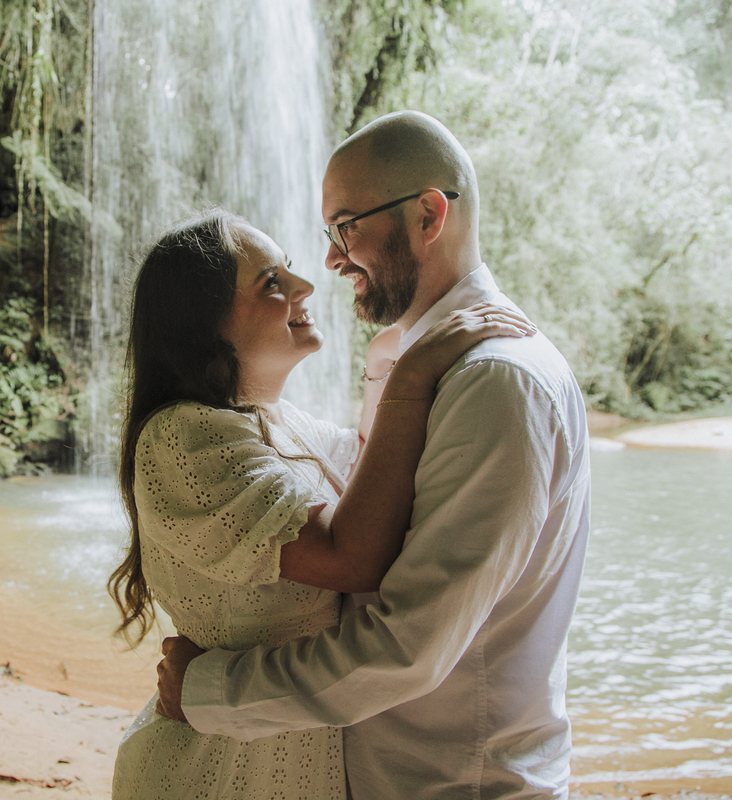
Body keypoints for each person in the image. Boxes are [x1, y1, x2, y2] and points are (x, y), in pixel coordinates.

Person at [155, 111, 592, 800]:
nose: (329, 261)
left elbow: (406, 648)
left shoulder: (493, 383)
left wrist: (207, 691)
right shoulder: (420, 367)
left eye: (346, 227)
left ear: (428, 215)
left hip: (455, 784)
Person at [107, 208, 534, 798]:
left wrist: (383, 365)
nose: (305, 285)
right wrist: (411, 376)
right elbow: (349, 553)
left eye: (289, 269)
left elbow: (370, 476)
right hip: (214, 773)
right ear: (203, 325)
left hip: (286, 763)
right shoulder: (182, 438)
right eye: (272, 282)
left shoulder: (278, 422)